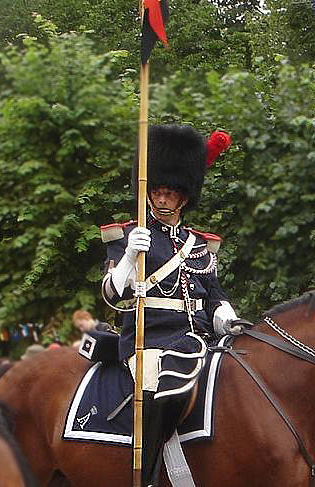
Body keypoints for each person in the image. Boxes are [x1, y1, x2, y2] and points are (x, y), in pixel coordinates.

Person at [100, 124, 241, 487]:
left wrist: (225, 312)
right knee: (166, 389)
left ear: (184, 198)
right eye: (157, 192)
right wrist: (131, 256)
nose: (162, 200)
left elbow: (212, 291)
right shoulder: (129, 234)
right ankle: (147, 475)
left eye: (170, 194)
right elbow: (111, 295)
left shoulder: (198, 244)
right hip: (151, 341)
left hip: (200, 340)